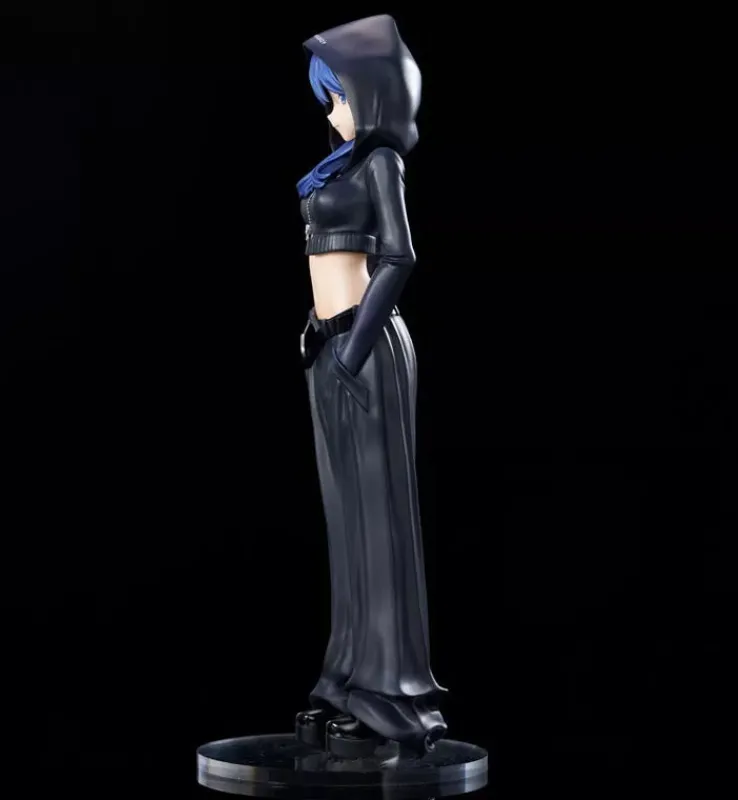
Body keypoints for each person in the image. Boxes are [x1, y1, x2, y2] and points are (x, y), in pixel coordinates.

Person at [293, 15, 448, 759]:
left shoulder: (380, 162)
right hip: (331, 348)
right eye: (326, 99)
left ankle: (390, 694)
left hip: (367, 350)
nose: (332, 113)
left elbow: (400, 256)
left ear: (374, 94)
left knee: (378, 522)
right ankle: (347, 676)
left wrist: (352, 349)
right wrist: (318, 335)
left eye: (340, 97)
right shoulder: (340, 166)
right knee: (345, 517)